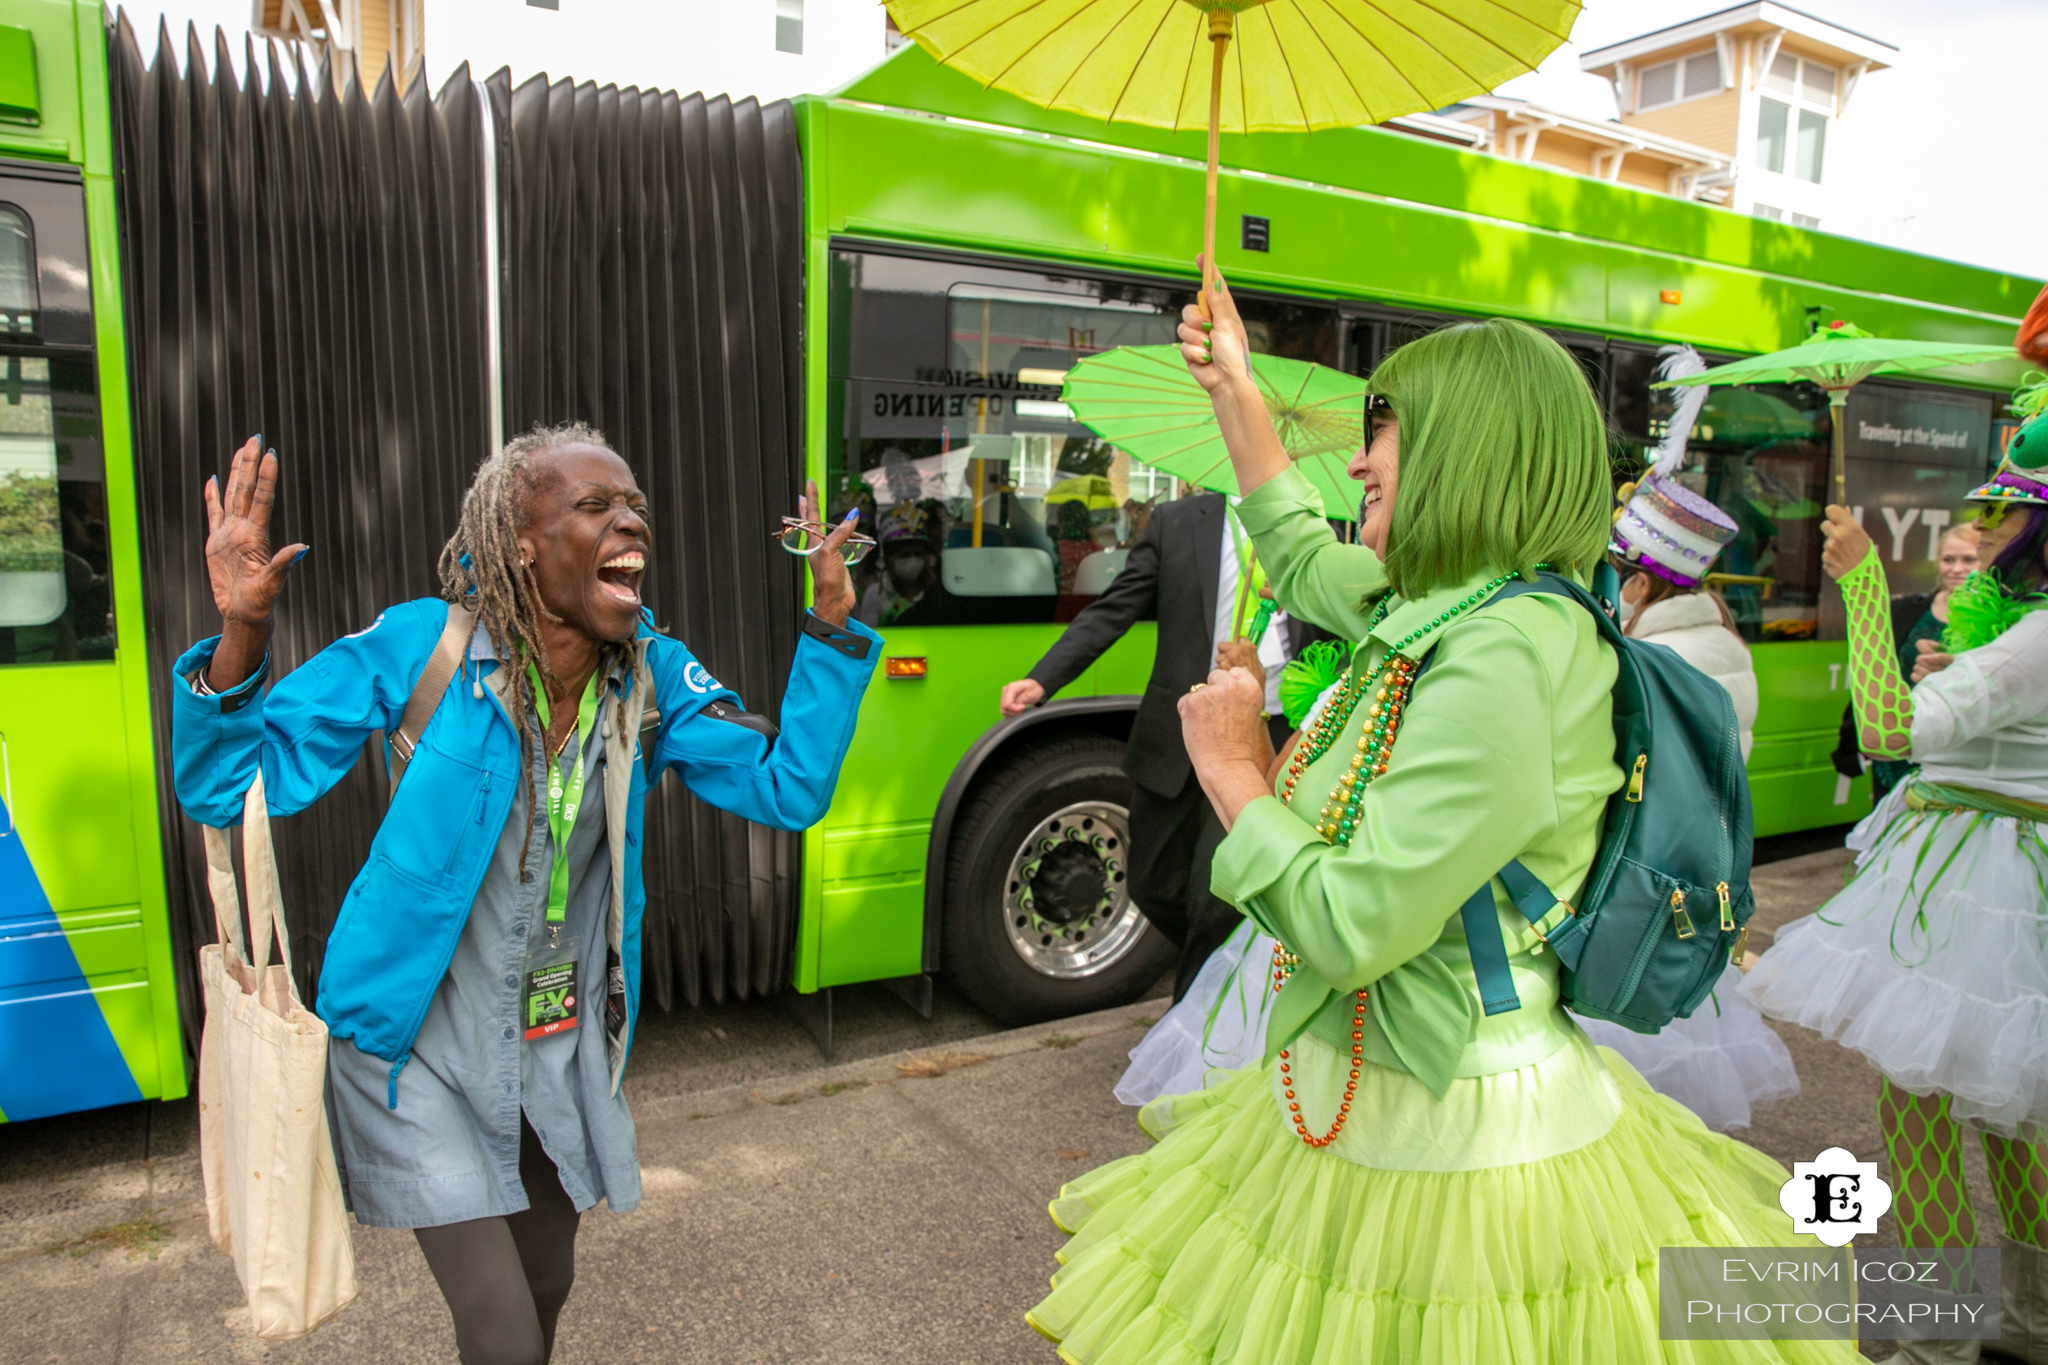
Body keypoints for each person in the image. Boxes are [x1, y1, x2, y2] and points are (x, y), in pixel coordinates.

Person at [1026, 281, 1855, 1364]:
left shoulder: (1507, 650)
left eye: (1383, 435)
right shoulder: (1448, 607)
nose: (1359, 463)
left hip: (1453, 1149)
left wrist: (1233, 771)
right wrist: (1234, 385)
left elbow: (1352, 926)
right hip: (1361, 1105)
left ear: (1469, 452)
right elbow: (1300, 552)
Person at [172, 423, 879, 1365]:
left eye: (635, 507)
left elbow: (787, 784)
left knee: (546, 1283)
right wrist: (243, 631)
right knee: (502, 1325)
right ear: (520, 539)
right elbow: (230, 789)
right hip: (409, 1046)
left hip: (554, 1041)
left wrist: (830, 628)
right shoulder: (427, 644)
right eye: (595, 505)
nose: (630, 521)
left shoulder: (650, 677)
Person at [1741, 399, 2048, 1365]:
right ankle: (2032, 1321)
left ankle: (1937, 1337)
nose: (1985, 531)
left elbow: (1883, 731)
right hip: (1990, 878)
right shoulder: (2029, 629)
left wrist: (1864, 585)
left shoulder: (2036, 636)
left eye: (2004, 514)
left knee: (1915, 1110)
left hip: (1969, 890)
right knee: (2002, 1115)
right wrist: (1956, 669)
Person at [998, 488, 1331, 1002]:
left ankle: (1194, 1037)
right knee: (1151, 882)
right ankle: (1227, 968)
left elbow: (1333, 632)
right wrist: (1044, 679)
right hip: (1180, 737)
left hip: (1269, 736)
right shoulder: (1178, 521)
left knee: (1214, 900)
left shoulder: (1310, 527)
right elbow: (1115, 608)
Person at [1570, 464, 1796, 1133]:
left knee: (1629, 1094)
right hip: (1683, 884)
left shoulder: (1658, 657)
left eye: (1608, 574)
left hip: (1640, 889)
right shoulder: (1718, 639)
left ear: (1637, 583)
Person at [1831, 523, 1981, 802]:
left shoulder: (1998, 621)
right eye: (1949, 559)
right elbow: (1874, 673)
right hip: (1896, 744)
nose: (1957, 568)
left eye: (1968, 559)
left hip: (1950, 752)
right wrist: (1850, 739)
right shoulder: (1905, 609)